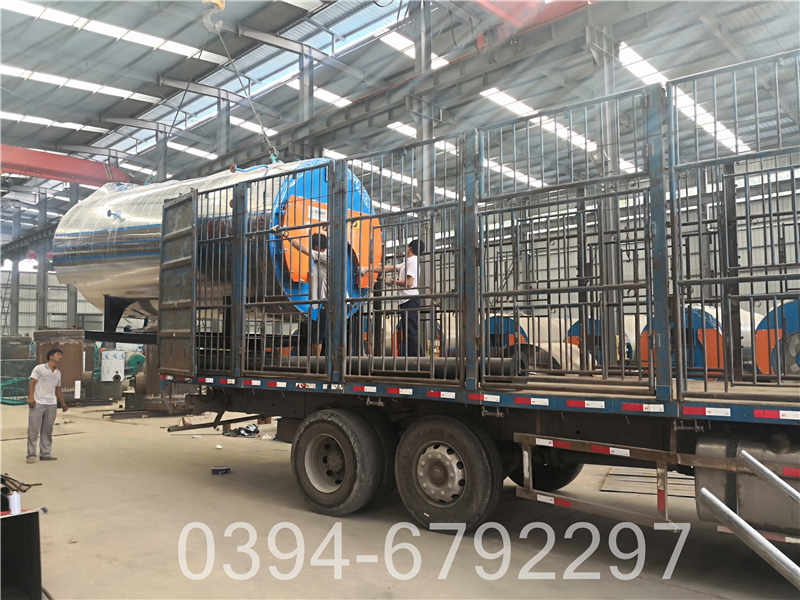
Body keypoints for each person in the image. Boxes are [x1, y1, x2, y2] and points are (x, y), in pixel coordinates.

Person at [280, 230, 329, 356]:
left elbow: (302, 248)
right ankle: (317, 361)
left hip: (325, 303)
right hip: (320, 303)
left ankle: (316, 362)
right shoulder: (322, 259)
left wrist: (286, 235)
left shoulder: (324, 256)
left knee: (317, 334)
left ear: (317, 247)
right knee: (317, 334)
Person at [378, 239, 423, 356]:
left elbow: (409, 283)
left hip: (410, 300)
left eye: (407, 247)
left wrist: (392, 281)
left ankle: (416, 360)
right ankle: (414, 359)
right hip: (406, 301)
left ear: (410, 248)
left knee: (411, 333)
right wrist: (370, 268)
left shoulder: (413, 262)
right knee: (408, 332)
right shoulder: (406, 262)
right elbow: (391, 267)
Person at [27, 348, 68, 463]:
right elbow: (32, 382)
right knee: (33, 430)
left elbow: (58, 389)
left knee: (47, 430)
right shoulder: (39, 368)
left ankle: (45, 454)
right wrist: (31, 397)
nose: (60, 357)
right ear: (51, 356)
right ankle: (31, 455)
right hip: (38, 402)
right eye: (58, 354)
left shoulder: (58, 373)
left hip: (51, 404)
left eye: (61, 355)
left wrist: (63, 403)